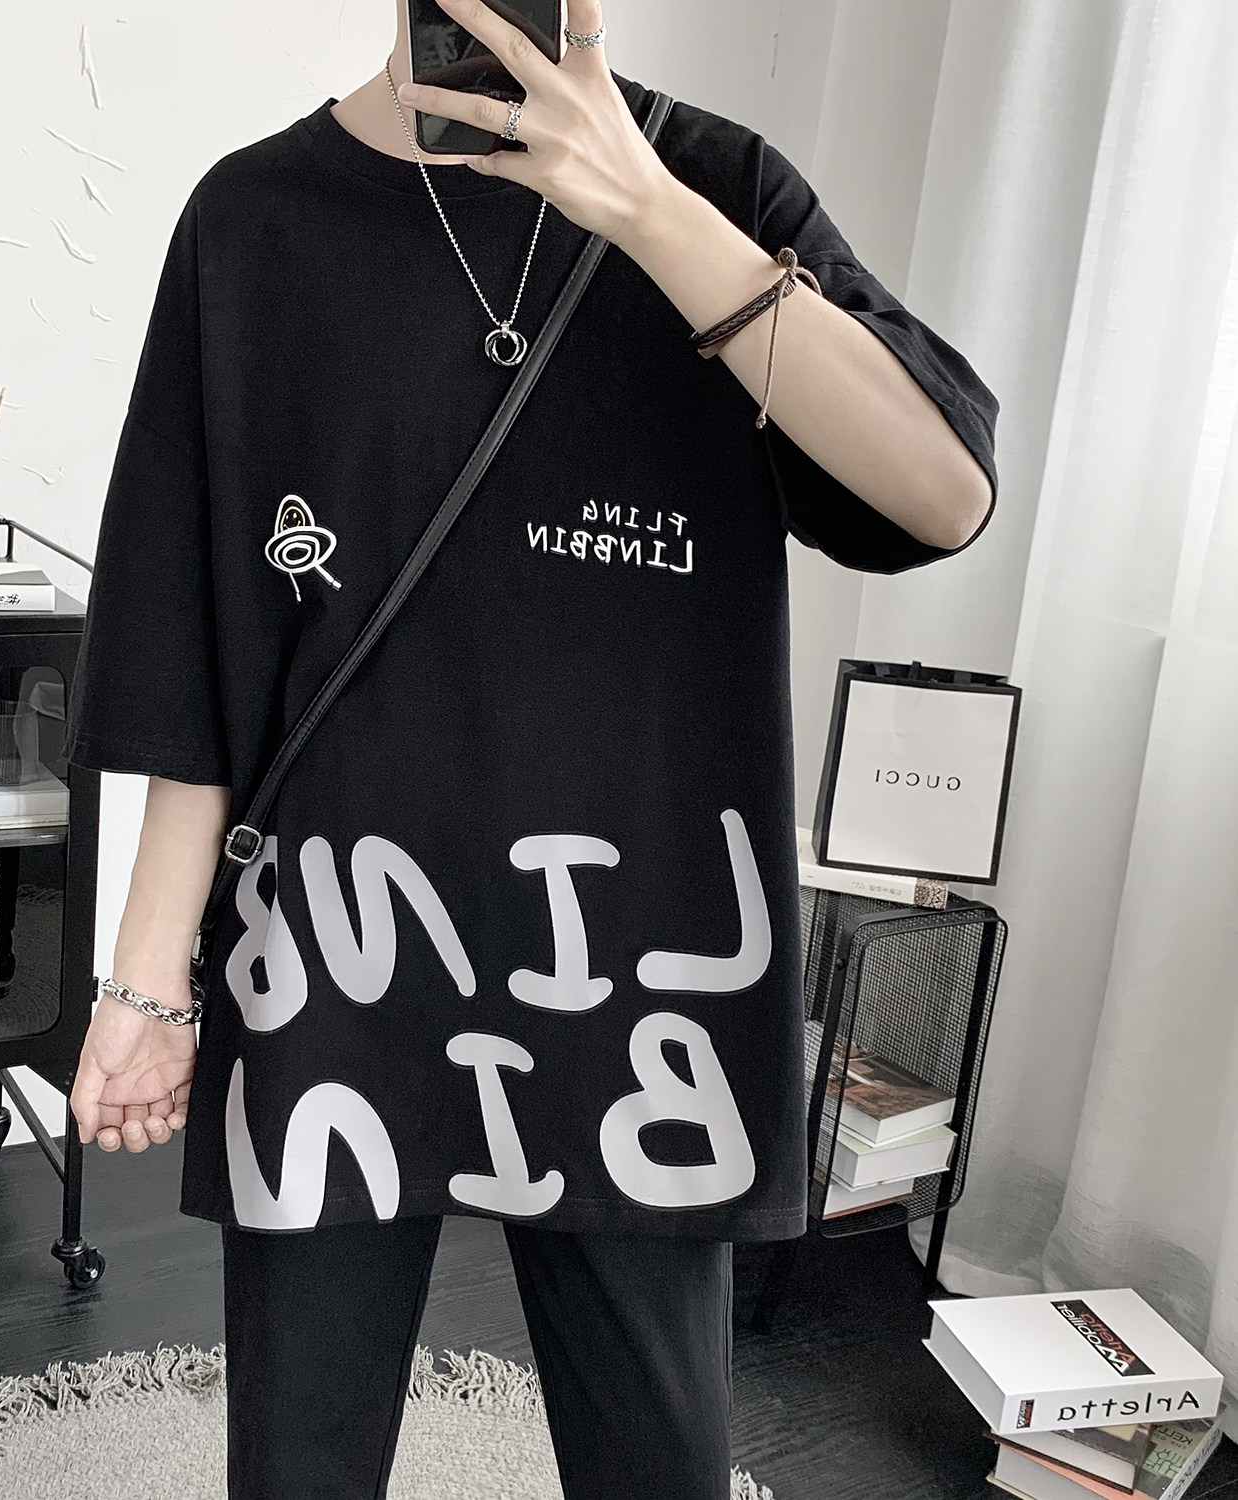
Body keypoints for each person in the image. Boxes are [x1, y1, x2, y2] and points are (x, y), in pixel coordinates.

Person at [64, 1, 998, 1495]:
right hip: (334, 950)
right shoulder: (253, 223)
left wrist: (647, 211)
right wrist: (144, 980)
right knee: (299, 1459)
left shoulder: (714, 184)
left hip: (643, 960)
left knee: (657, 1458)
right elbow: (208, 646)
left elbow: (942, 494)